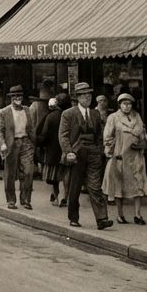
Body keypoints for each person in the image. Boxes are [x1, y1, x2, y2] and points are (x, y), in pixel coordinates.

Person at [59, 82, 113, 230]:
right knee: (75, 187)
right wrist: (68, 151)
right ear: (78, 98)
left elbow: (100, 135)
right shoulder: (68, 114)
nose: (87, 98)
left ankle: (102, 219)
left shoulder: (95, 114)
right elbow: (63, 135)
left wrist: (100, 149)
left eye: (89, 95)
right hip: (77, 153)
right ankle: (73, 217)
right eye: (83, 95)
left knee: (95, 186)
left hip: (93, 153)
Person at [102, 93, 147, 225]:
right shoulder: (113, 118)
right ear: (119, 105)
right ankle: (120, 214)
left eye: (129, 104)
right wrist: (112, 150)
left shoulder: (137, 117)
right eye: (124, 104)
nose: (127, 106)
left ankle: (137, 214)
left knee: (138, 184)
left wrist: (142, 143)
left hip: (136, 157)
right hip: (120, 157)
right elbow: (107, 137)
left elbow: (143, 134)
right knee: (119, 186)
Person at [0, 85, 37, 210]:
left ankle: (26, 199)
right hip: (11, 144)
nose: (18, 98)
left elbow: (31, 127)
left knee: (29, 171)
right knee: (10, 173)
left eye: (20, 96)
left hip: (26, 142)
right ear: (11, 98)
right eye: (15, 96)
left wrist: (33, 142)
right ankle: (11, 200)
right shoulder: (3, 112)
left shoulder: (28, 110)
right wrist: (2, 144)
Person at [38, 94, 69, 206]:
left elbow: (44, 134)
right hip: (68, 149)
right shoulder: (71, 115)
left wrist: (39, 143)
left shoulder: (51, 116)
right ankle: (65, 197)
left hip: (53, 150)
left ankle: (56, 196)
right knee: (66, 174)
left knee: (55, 177)